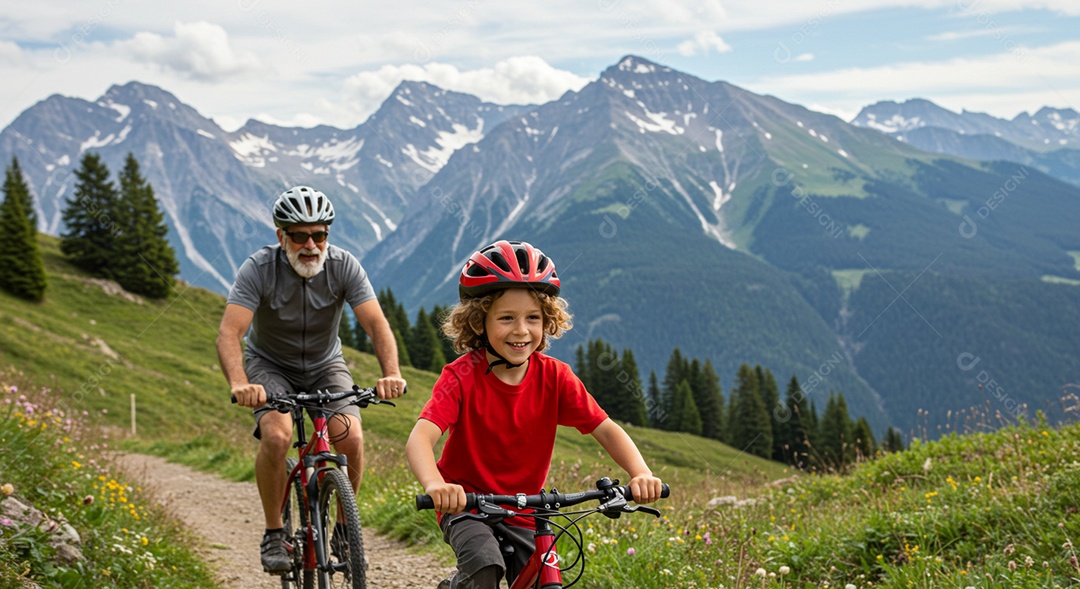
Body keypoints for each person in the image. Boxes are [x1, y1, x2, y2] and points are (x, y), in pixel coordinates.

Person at [405, 240, 664, 589]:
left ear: (548, 321)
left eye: (533, 318)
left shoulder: (555, 377)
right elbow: (421, 438)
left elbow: (605, 428)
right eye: (506, 318)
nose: (521, 330)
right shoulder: (461, 376)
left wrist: (640, 472)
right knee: (484, 568)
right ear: (479, 322)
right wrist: (436, 485)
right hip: (468, 506)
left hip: (529, 510)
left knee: (545, 578)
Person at [216, 185, 406, 574]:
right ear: (280, 236)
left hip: (325, 364)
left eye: (319, 235)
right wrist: (239, 382)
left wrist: (392, 373)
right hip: (270, 365)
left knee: (350, 437)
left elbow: (376, 324)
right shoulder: (258, 268)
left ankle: (341, 529)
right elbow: (230, 333)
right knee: (277, 436)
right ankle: (273, 532)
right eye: (299, 236)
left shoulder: (344, 265)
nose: (310, 245)